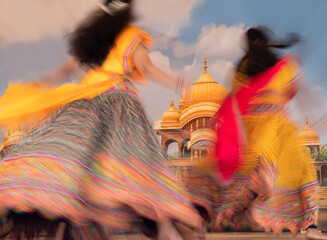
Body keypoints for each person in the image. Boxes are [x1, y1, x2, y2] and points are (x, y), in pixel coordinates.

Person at [0, 0, 203, 239]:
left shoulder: (90, 42)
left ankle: (56, 217)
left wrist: (42, 83)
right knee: (139, 165)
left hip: (85, 104)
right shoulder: (130, 35)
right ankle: (164, 225)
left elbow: (65, 70)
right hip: (120, 105)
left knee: (75, 162)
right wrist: (176, 81)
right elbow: (146, 69)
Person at [183, 27, 327, 240]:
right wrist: (317, 113)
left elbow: (234, 99)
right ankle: (311, 228)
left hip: (249, 128)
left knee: (225, 176)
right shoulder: (282, 66)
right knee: (302, 175)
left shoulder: (243, 68)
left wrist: (217, 124)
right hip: (278, 127)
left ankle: (199, 220)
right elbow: (298, 92)